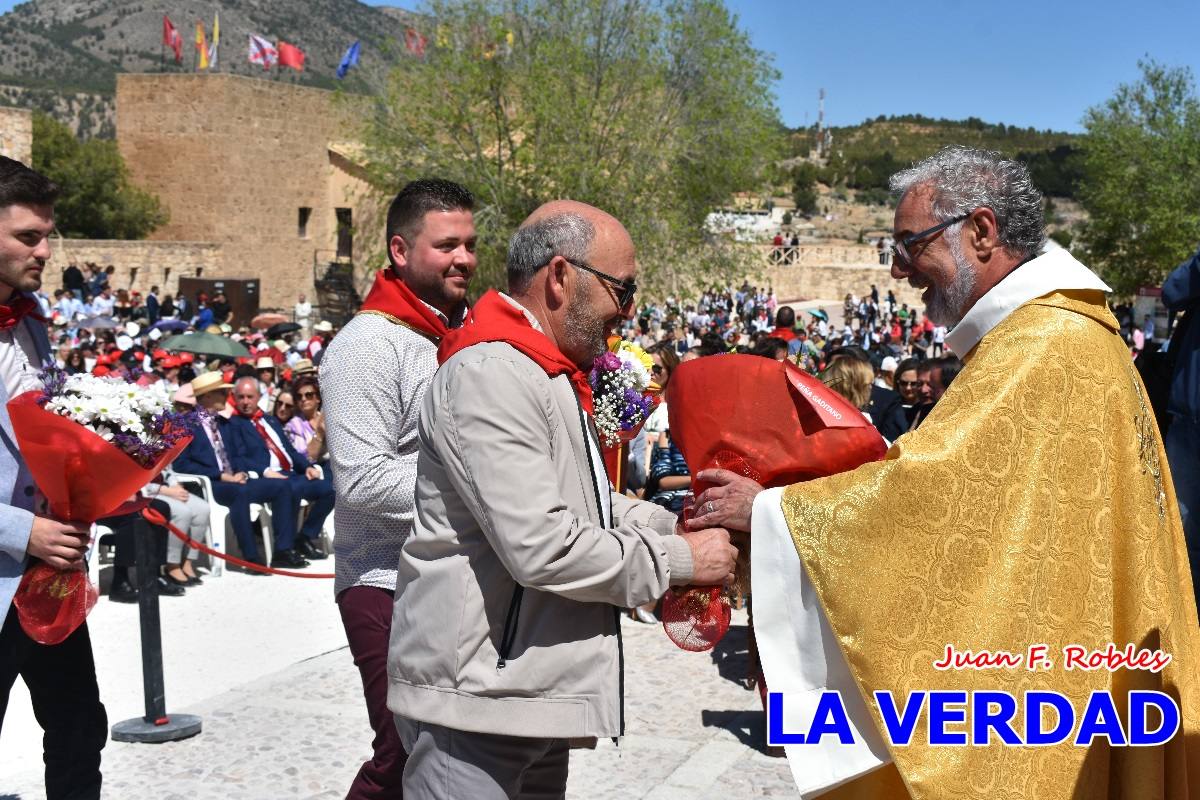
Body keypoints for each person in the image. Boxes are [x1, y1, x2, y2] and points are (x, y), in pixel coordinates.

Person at [690, 146, 1200, 797]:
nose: (901, 271)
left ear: (982, 232)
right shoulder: (1059, 335)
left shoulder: (1042, 346)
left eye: (911, 245)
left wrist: (768, 512)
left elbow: (930, 502)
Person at [387, 200, 737, 798]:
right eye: (621, 290)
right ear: (560, 276)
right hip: (475, 702)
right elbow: (541, 544)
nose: (626, 313)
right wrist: (681, 561)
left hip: (524, 693)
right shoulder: (492, 372)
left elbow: (591, 504)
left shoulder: (541, 371)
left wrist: (687, 523)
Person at [321, 178, 479, 799]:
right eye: (446, 246)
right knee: (401, 751)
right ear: (399, 249)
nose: (463, 258)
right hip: (383, 580)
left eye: (469, 243)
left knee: (449, 749)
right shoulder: (365, 347)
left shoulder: (458, 333)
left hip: (448, 577)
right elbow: (361, 481)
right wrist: (482, 483)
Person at [0, 157, 107, 799]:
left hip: (50, 576)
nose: (45, 251)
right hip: (12, 559)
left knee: (76, 727)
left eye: (48, 235)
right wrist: (25, 531)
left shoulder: (34, 320)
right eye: (28, 237)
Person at [173, 372, 308, 570]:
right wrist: (221, 475)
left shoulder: (224, 424)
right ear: (208, 396)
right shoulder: (185, 425)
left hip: (236, 480)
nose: (226, 397)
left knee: (283, 486)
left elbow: (239, 456)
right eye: (221, 393)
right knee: (241, 492)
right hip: (212, 484)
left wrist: (242, 472)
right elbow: (181, 465)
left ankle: (283, 550)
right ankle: (250, 557)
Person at [227, 377, 333, 562]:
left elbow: (289, 451)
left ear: (259, 397)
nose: (245, 402)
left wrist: (307, 467)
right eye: (241, 397)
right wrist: (265, 471)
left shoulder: (270, 421)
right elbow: (238, 457)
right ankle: (283, 549)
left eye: (250, 397)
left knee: (329, 490)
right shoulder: (234, 425)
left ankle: (305, 536)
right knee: (288, 489)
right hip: (267, 476)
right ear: (234, 397)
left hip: (290, 473)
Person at [284, 374, 327, 465]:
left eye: (309, 395)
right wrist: (319, 433)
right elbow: (305, 459)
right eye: (299, 396)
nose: (303, 399)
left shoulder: (326, 417)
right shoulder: (293, 426)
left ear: (318, 398)